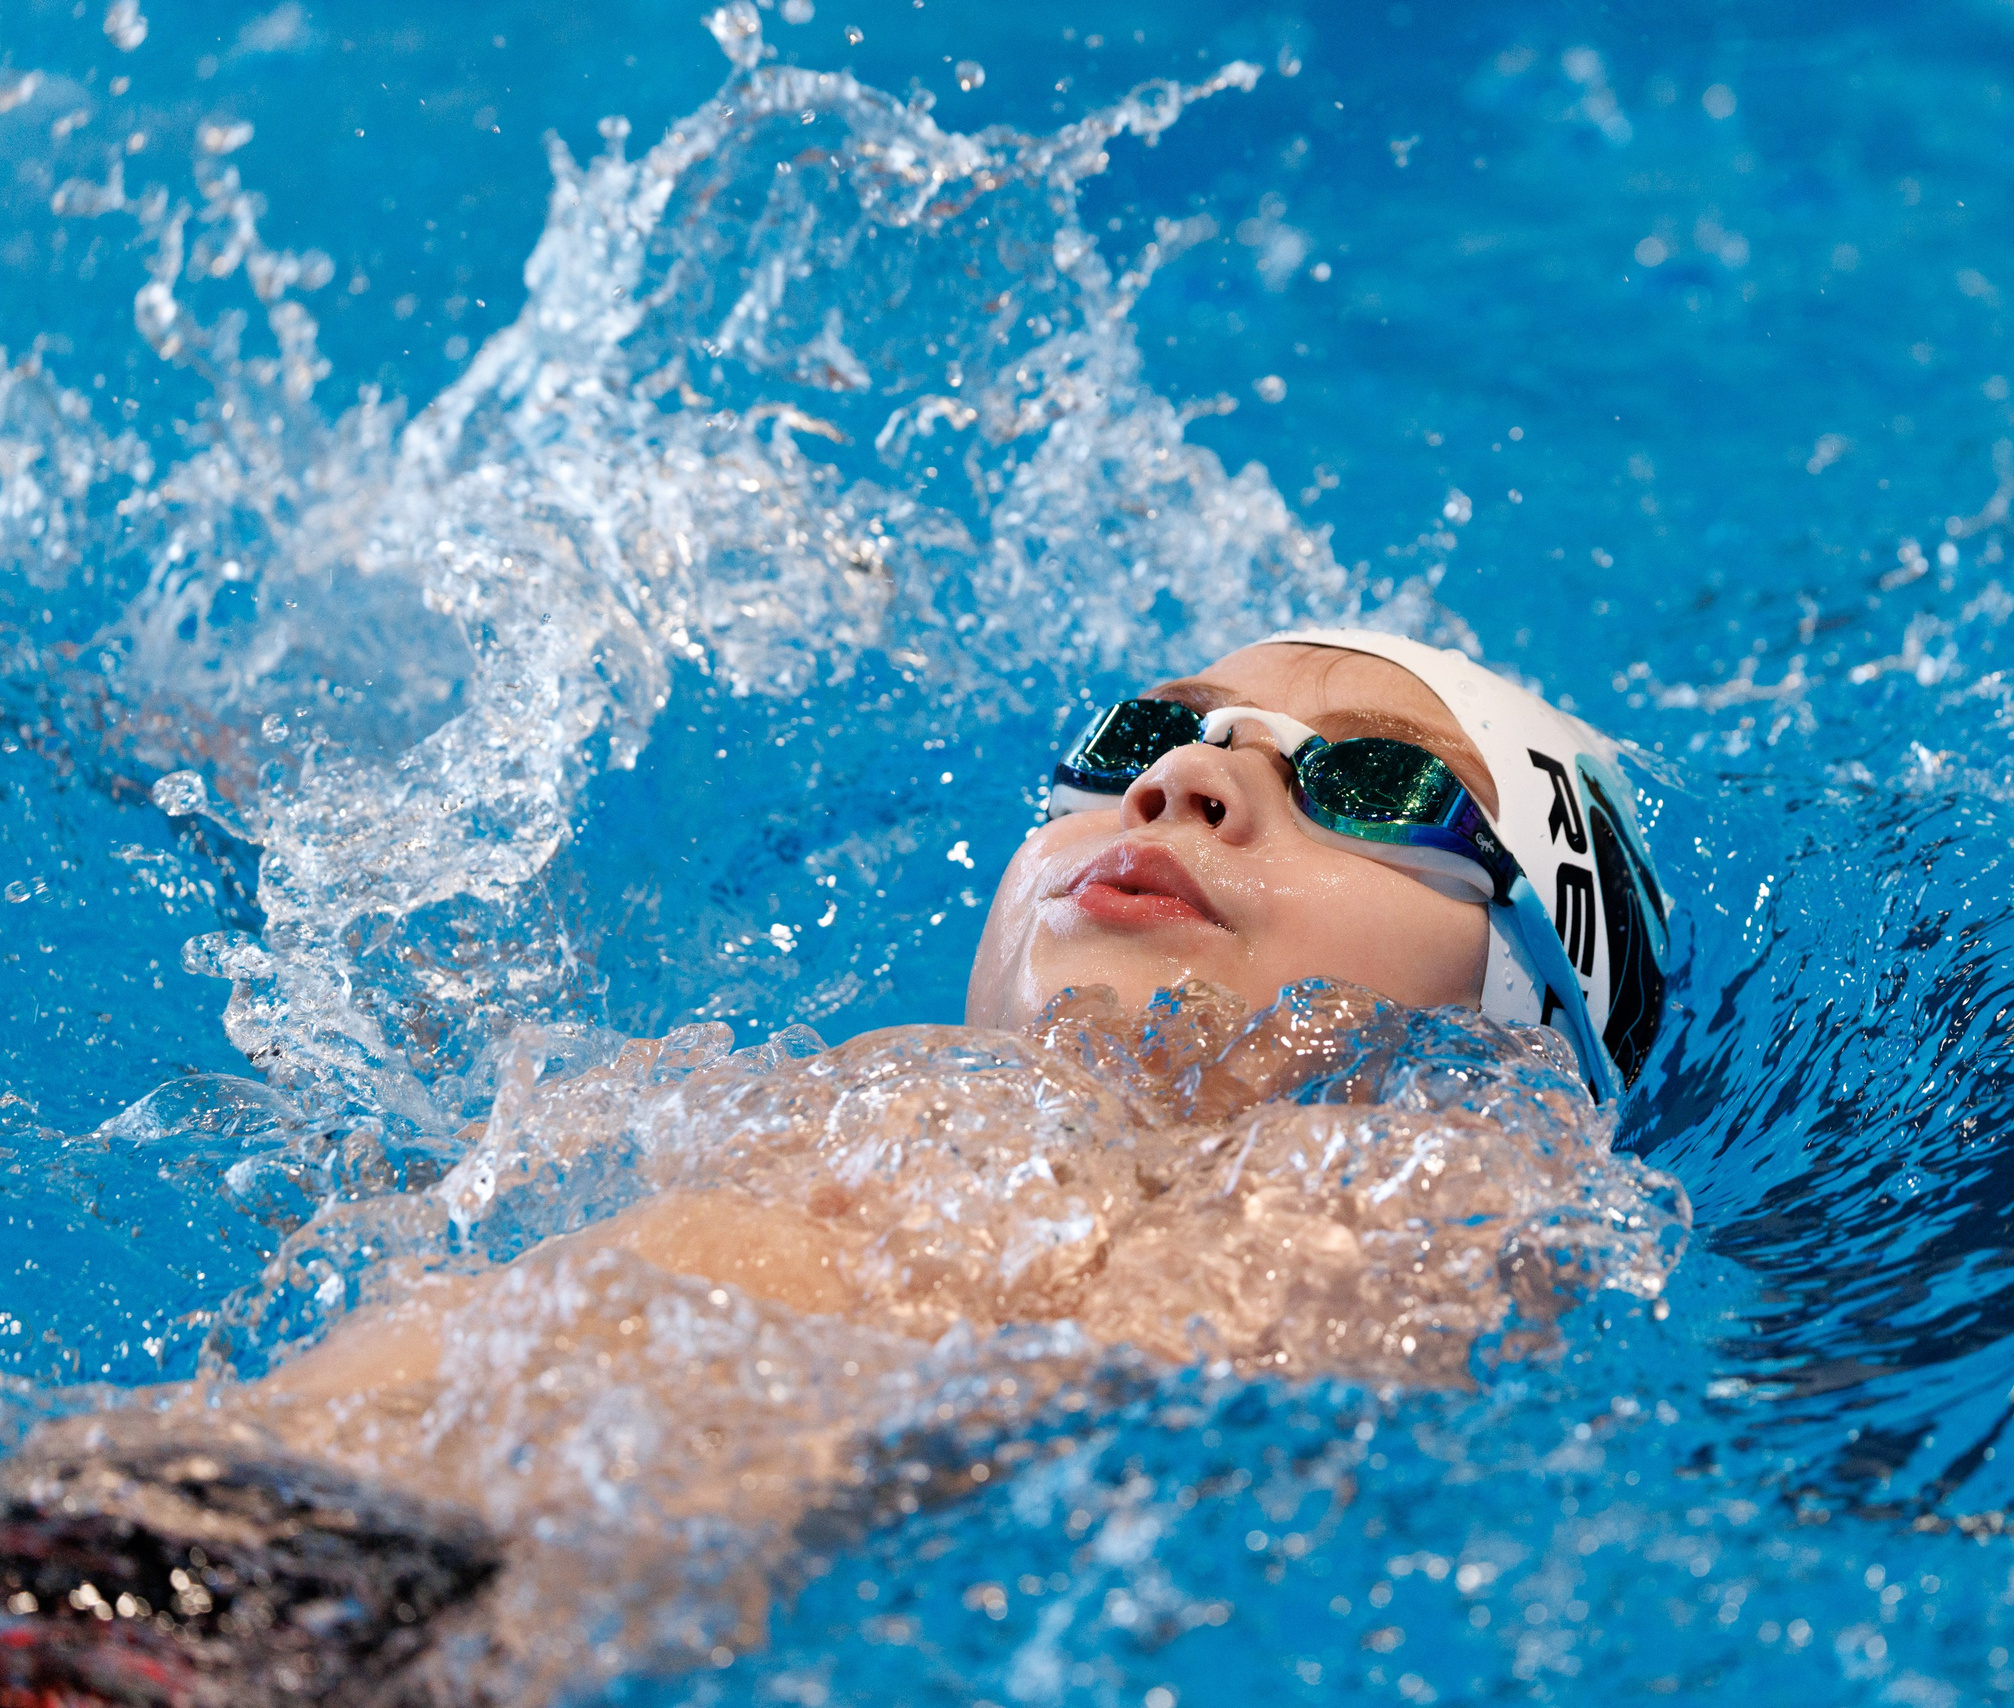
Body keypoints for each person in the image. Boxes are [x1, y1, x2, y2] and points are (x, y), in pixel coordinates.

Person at [0, 630, 1678, 1705]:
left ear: (1527, 994)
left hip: (354, 1646)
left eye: (1371, 783)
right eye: (1135, 739)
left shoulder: (1437, 1199)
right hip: (106, 1526)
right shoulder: (843, 1089)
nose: (1184, 782)